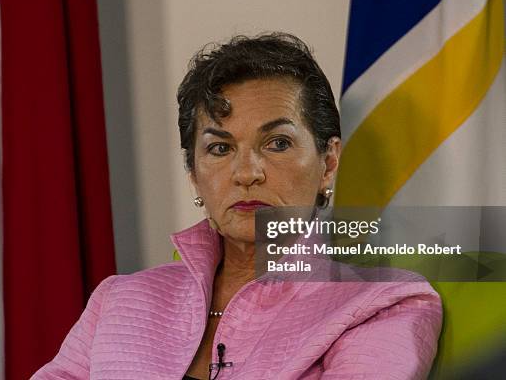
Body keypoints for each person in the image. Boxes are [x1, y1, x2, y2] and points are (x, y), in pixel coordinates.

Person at [32, 33, 442, 380]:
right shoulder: (120, 299)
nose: (246, 173)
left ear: (328, 162)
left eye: (277, 143)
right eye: (220, 148)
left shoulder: (384, 303)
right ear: (194, 172)